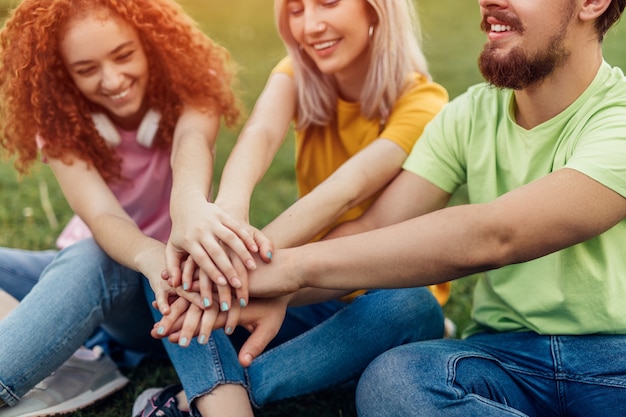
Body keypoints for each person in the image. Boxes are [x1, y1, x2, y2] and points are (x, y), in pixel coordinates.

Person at [218, 0, 626, 415]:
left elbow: (496, 235)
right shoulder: (468, 115)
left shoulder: (620, 120)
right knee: (392, 382)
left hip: (614, 360)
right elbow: (374, 226)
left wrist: (290, 270)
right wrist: (263, 284)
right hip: (504, 360)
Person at [134, 0, 450, 416]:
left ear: (376, 9)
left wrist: (239, 268)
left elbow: (346, 191)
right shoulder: (298, 73)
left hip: (369, 299)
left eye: (328, 3)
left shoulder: (425, 102)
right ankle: (226, 402)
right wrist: (224, 222)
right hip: (300, 295)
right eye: (296, 9)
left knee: (410, 306)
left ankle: (212, 397)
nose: (310, 26)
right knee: (174, 265)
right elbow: (260, 135)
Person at [0, 0, 244, 415]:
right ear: (62, 73)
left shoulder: (193, 86)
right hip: (87, 262)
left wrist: (176, 224)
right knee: (92, 251)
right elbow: (102, 217)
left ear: (151, 43)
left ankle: (43, 354)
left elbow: (191, 146)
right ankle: (70, 357)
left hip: (158, 282)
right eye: (86, 69)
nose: (112, 79)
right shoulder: (59, 120)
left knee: (117, 257)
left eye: (124, 55)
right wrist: (146, 254)